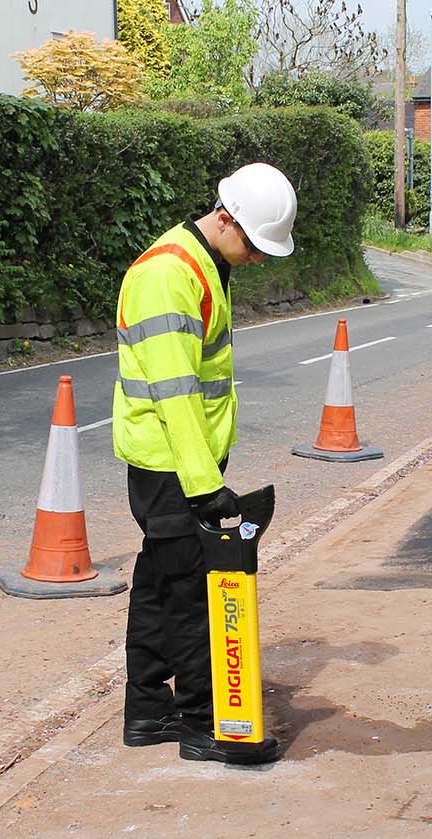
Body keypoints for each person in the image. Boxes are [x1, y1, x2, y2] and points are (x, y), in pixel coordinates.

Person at [112, 163, 297, 765]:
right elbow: (175, 391)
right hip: (174, 467)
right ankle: (201, 723)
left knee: (161, 584)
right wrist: (204, 485)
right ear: (225, 217)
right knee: (192, 593)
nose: (259, 259)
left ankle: (146, 710)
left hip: (174, 461)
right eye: (253, 244)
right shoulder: (169, 275)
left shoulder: (199, 264)